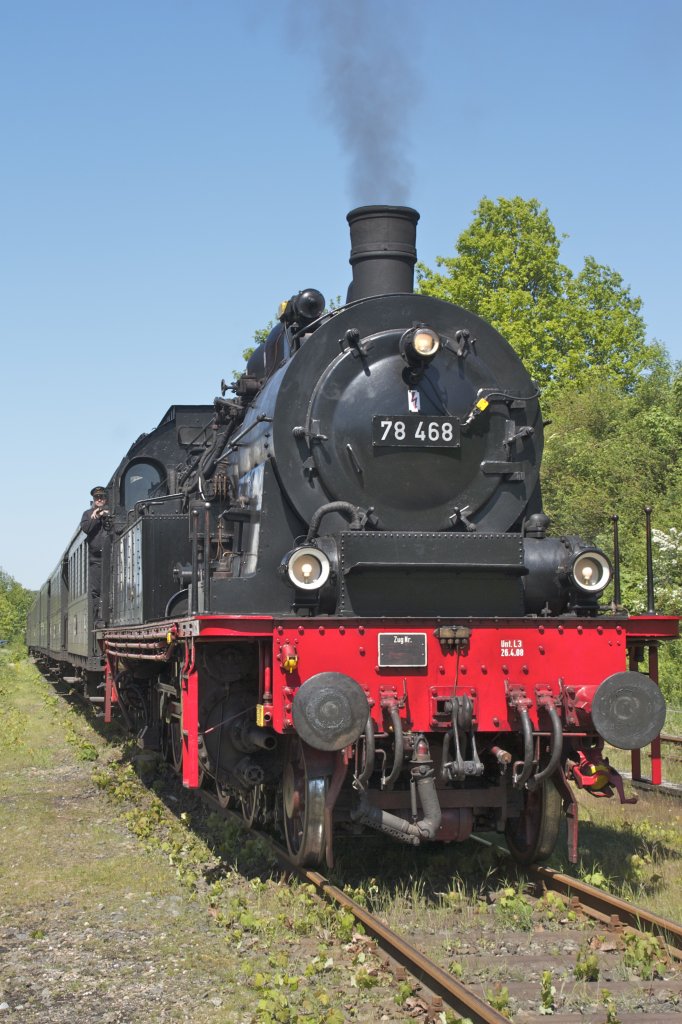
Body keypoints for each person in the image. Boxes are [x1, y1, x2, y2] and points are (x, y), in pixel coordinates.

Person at [80, 486, 109, 609]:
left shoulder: (110, 512)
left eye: (101, 497)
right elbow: (86, 529)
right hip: (96, 559)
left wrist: (105, 514)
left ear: (105, 499)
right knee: (96, 590)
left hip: (111, 557)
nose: (99, 499)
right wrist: (96, 516)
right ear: (93, 499)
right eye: (97, 497)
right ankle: (97, 617)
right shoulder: (87, 514)